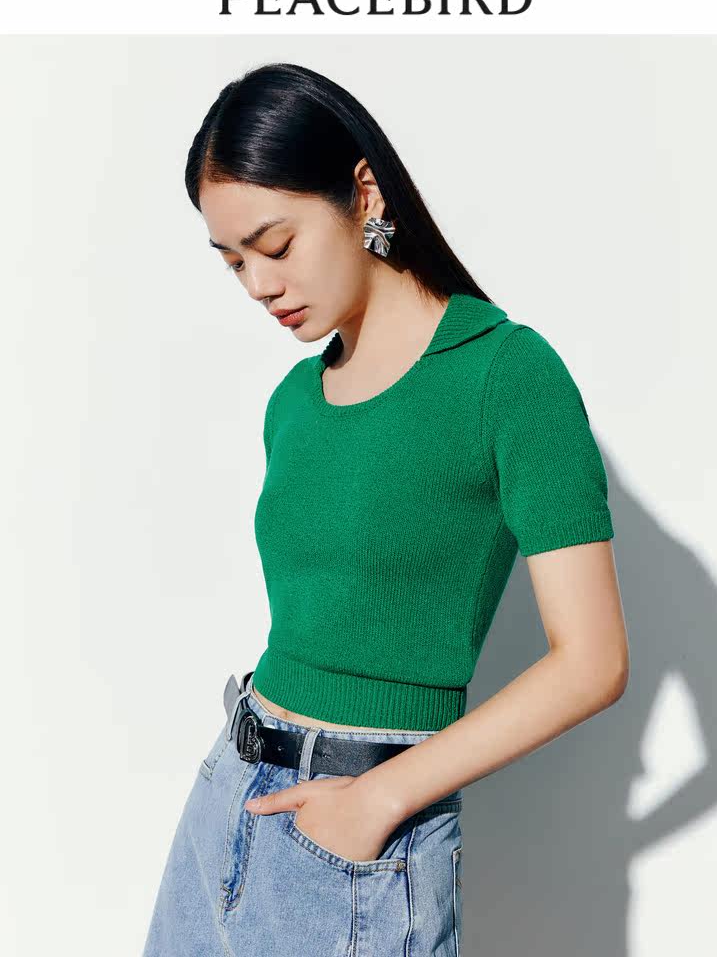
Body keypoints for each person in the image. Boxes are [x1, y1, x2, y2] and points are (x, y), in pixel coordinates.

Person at [143, 62, 629, 956]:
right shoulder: (294, 400)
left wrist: (379, 799)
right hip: (226, 797)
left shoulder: (508, 376)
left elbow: (593, 661)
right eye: (233, 260)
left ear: (363, 192)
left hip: (359, 838)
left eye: (275, 244)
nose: (257, 285)